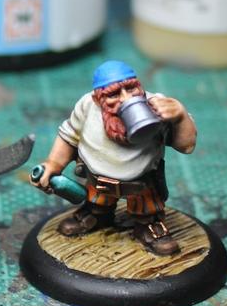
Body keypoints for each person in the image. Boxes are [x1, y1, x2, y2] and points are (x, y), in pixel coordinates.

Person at [31, 60, 196, 256]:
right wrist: (53, 164)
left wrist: (180, 116)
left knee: (147, 209)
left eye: (131, 89)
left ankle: (150, 226)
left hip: (142, 182)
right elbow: (69, 137)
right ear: (97, 99)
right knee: (97, 202)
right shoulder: (87, 106)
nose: (126, 99)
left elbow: (186, 146)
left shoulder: (157, 106)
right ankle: (96, 214)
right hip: (98, 181)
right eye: (114, 95)